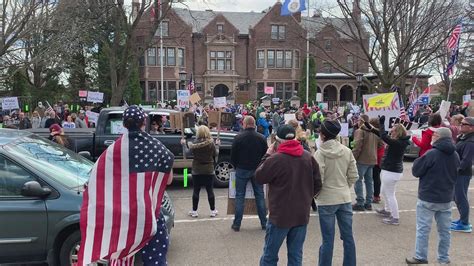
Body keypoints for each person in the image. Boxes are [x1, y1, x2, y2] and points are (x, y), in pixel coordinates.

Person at [78, 105, 175, 265]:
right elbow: (168, 179)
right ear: (144, 122)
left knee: (121, 257)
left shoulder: (112, 151)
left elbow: (97, 180)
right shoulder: (158, 148)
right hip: (150, 214)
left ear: (123, 124)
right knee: (155, 259)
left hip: (124, 217)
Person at [256, 125, 322, 265]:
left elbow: (259, 177)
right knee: (295, 255)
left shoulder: (275, 159)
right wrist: (307, 198)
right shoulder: (307, 156)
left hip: (280, 215)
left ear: (278, 141)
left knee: (270, 255)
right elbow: (318, 184)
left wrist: (267, 154)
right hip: (301, 214)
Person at [406, 128, 460, 265]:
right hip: (446, 197)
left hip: (428, 196)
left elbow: (416, 171)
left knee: (423, 229)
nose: (432, 136)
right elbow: (456, 174)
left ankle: (420, 256)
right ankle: (443, 258)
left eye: (434, 134)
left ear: (438, 137)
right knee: (445, 231)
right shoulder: (455, 155)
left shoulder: (432, 154)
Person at [314, 120, 358, 266]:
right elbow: (353, 175)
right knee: (348, 237)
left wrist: (316, 195)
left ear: (323, 135)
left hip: (326, 199)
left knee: (327, 239)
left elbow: (317, 178)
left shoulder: (319, 153)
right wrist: (344, 187)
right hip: (344, 197)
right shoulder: (346, 151)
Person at [365, 117, 410, 225]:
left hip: (392, 171)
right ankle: (387, 210)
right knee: (385, 191)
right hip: (391, 170)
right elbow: (382, 134)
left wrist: (381, 124)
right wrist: (371, 128)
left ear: (398, 132)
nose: (391, 131)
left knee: (390, 194)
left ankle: (395, 218)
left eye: (393, 130)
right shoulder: (398, 141)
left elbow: (384, 136)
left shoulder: (398, 143)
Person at [230, 116, 268, 231]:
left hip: (242, 169)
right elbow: (265, 155)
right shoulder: (261, 138)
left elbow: (233, 156)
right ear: (254, 124)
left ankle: (237, 224)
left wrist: (236, 166)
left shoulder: (238, 138)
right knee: (260, 196)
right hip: (257, 169)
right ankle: (264, 223)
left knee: (240, 196)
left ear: (244, 124)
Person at [181, 125, 220, 218]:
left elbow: (187, 153)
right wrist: (218, 145)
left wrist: (183, 144)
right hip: (209, 169)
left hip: (197, 169)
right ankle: (213, 210)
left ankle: (194, 211)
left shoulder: (194, 143)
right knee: (210, 190)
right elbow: (216, 153)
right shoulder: (211, 143)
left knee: (196, 191)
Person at [351, 114, 379, 211]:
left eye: (358, 120)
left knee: (358, 181)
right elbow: (380, 144)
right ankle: (368, 203)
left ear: (361, 121)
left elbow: (357, 146)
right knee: (369, 182)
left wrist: (353, 158)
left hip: (362, 159)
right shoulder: (374, 131)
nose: (357, 122)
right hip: (372, 159)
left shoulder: (360, 131)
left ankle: (360, 202)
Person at [451, 117, 474, 233]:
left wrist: (456, 170)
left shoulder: (470, 142)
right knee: (456, 197)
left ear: (471, 127)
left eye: (464, 124)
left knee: (461, 197)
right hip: (458, 172)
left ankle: (465, 223)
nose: (461, 125)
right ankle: (462, 219)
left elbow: (467, 161)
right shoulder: (463, 138)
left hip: (462, 173)